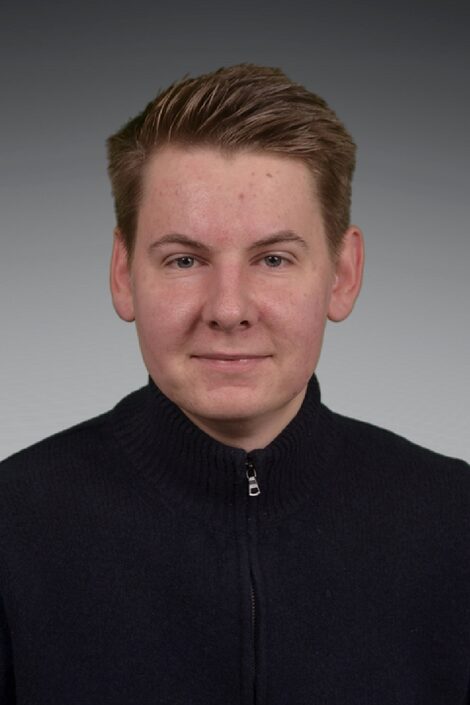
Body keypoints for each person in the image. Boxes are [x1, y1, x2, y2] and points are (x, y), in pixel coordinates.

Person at [0, 64, 469, 705]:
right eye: (185, 260)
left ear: (342, 275)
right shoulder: (11, 527)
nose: (228, 308)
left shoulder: (455, 524)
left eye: (273, 259)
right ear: (122, 273)